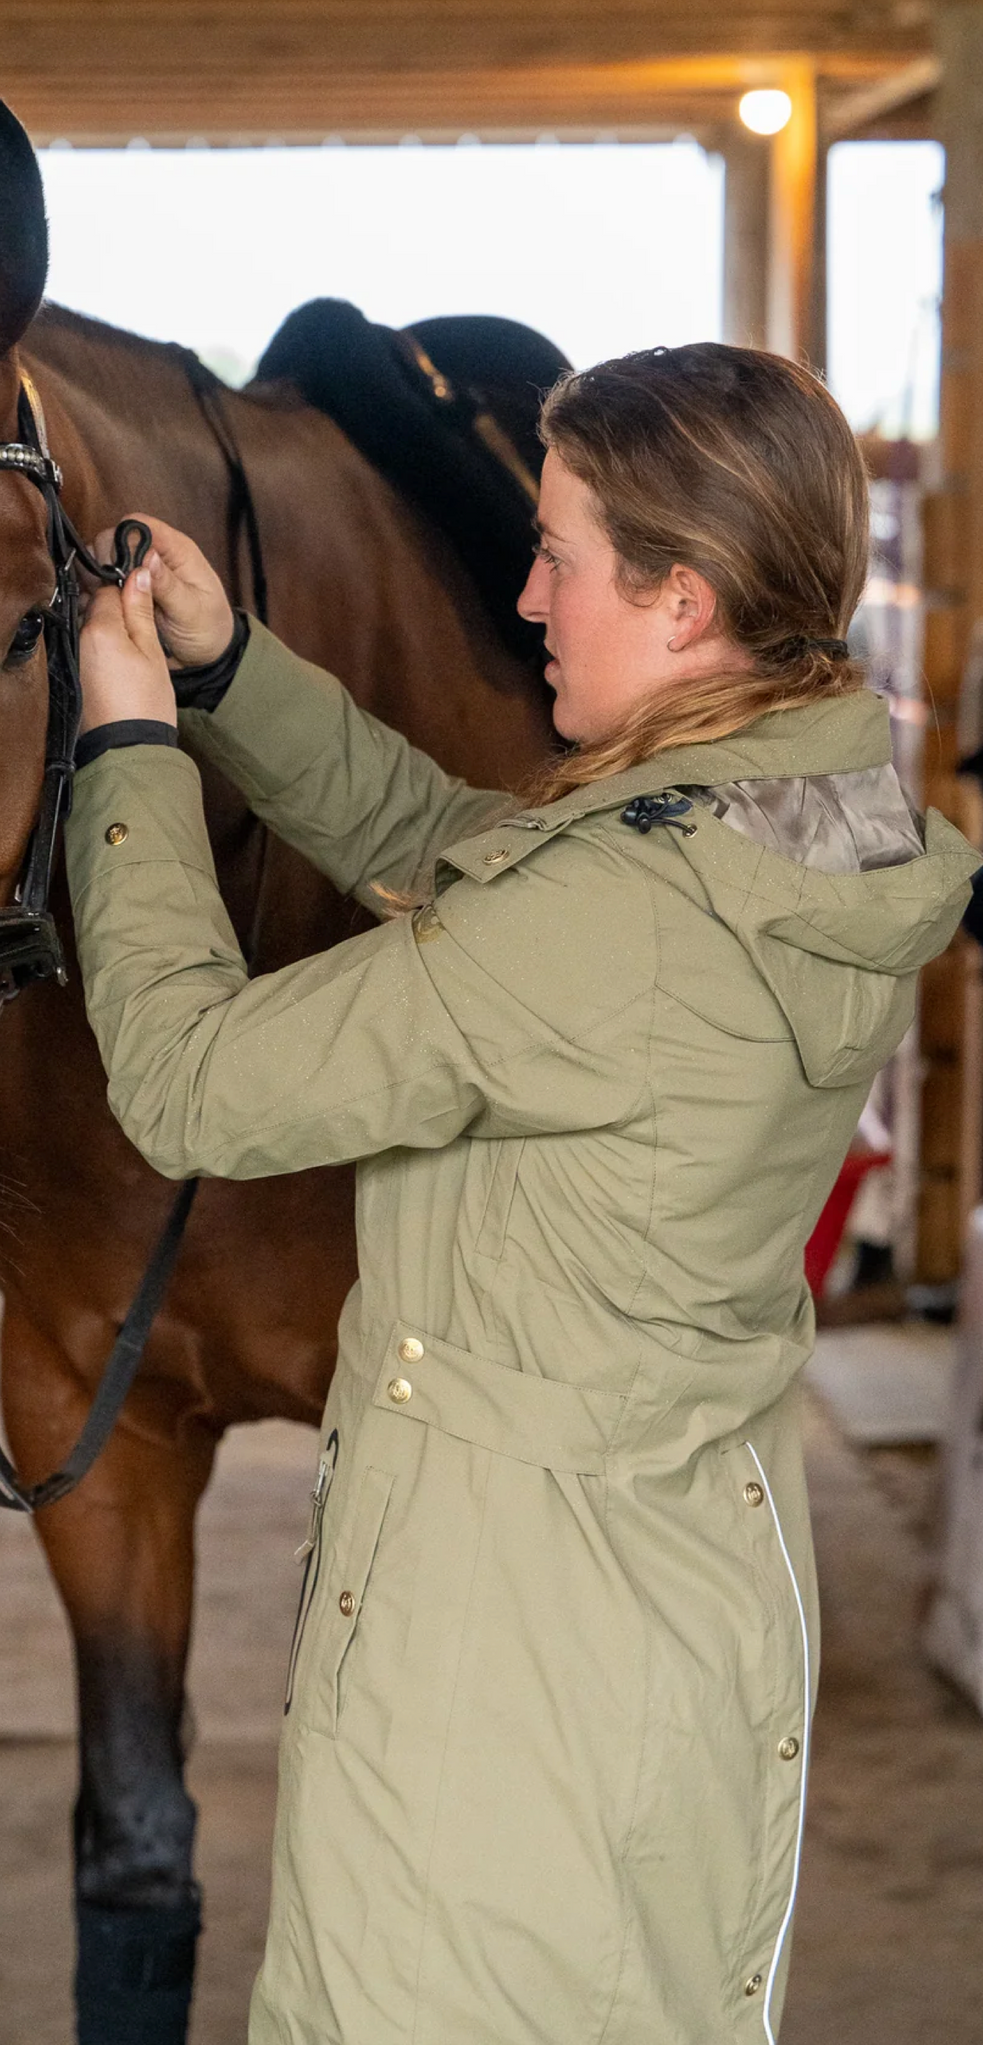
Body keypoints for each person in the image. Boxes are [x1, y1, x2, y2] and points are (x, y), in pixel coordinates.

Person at [65, 342, 979, 2045]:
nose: (527, 588)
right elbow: (470, 853)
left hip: (508, 1679)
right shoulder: (798, 819)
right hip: (656, 1604)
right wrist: (224, 670)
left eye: (562, 552)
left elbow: (191, 1082)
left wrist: (127, 756)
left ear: (688, 602)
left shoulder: (622, 928)